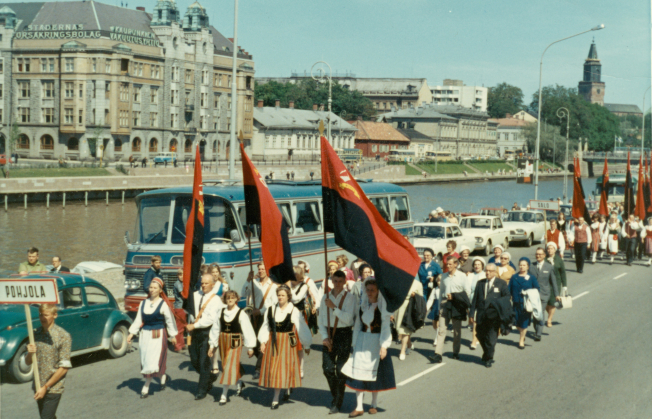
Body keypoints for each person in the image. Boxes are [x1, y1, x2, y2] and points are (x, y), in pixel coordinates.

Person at [342, 280, 395, 417]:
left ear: (378, 291)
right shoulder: (363, 306)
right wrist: (354, 345)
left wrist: (384, 345)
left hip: (376, 342)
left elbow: (385, 327)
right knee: (358, 374)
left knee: (373, 374)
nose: (369, 292)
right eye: (368, 290)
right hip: (362, 341)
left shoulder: (383, 308)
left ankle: (373, 404)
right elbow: (358, 325)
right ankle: (359, 406)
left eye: (372, 290)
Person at [258, 284, 312, 409]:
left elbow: (301, 327)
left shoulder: (293, 310)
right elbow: (266, 326)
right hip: (274, 341)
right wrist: (262, 341)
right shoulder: (271, 309)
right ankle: (282, 391)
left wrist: (306, 343)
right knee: (275, 369)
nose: (280, 297)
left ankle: (276, 398)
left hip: (287, 342)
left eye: (283, 295)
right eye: (279, 295)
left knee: (284, 367)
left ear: (288, 297)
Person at [127, 277, 178, 398]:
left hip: (158, 334)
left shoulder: (163, 304)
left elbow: (170, 321)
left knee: (153, 360)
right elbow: (138, 320)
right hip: (145, 335)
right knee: (146, 359)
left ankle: (146, 386)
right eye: (151, 287)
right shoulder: (143, 303)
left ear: (160, 290)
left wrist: (173, 335)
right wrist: (131, 333)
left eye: (155, 288)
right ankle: (162, 376)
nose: (152, 290)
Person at [208, 290, 256, 405]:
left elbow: (247, 330)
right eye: (228, 298)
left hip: (235, 341)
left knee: (228, 366)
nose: (230, 299)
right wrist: (212, 346)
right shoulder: (221, 312)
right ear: (225, 300)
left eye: (233, 297)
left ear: (236, 299)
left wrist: (250, 347)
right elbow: (215, 329)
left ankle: (224, 394)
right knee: (227, 366)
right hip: (223, 340)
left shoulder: (241, 313)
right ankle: (239, 382)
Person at [318, 270, 356, 414]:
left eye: (340, 281)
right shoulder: (325, 297)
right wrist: (324, 337)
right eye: (335, 281)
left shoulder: (350, 298)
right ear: (331, 281)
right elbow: (321, 319)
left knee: (340, 369)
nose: (337, 284)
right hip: (328, 333)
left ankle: (337, 402)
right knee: (327, 368)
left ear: (345, 282)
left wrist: (334, 307)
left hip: (344, 334)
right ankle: (337, 395)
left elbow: (348, 319)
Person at [26, 304, 72, 419]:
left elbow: (64, 368)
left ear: (55, 315)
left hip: (53, 388)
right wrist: (30, 353)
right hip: (38, 385)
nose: (42, 318)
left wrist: (46, 387)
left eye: (46, 315)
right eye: (41, 315)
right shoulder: (35, 333)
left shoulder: (63, 336)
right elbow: (27, 362)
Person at [186, 273, 226, 400]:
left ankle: (202, 390)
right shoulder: (195, 295)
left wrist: (195, 325)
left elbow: (210, 319)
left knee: (203, 361)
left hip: (206, 332)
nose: (203, 285)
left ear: (213, 285)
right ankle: (210, 377)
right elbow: (189, 310)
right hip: (194, 332)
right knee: (194, 360)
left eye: (206, 283)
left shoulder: (215, 300)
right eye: (202, 283)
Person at [428, 256, 470, 363]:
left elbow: (467, 292)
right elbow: (441, 292)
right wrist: (439, 308)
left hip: (457, 305)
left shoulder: (462, 276)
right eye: (447, 264)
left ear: (456, 264)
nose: (448, 266)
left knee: (456, 331)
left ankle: (456, 352)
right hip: (445, 304)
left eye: (451, 264)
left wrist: (458, 299)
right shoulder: (444, 276)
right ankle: (438, 354)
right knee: (441, 330)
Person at [241, 262, 278, 379]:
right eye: (260, 269)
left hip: (266, 315)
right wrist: (248, 280)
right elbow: (243, 293)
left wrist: (261, 311)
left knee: (264, 340)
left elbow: (273, 303)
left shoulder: (273, 285)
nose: (261, 271)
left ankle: (258, 369)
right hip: (254, 316)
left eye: (263, 269)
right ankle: (265, 363)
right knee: (255, 341)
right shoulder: (254, 283)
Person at [469, 263, 510, 367]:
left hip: (494, 317)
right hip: (481, 315)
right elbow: (475, 300)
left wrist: (498, 306)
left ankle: (488, 358)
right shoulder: (480, 283)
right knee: (480, 335)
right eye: (486, 271)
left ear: (495, 272)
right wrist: (471, 314)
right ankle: (487, 353)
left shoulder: (501, 283)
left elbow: (507, 297)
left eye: (490, 271)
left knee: (491, 340)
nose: (487, 273)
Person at [529, 248, 560, 341]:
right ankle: (537, 329)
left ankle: (538, 334)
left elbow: (553, 282)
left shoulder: (549, 267)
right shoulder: (531, 266)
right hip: (533, 294)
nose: (538, 256)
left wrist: (556, 294)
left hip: (544, 294)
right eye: (537, 254)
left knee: (540, 312)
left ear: (544, 255)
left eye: (540, 254)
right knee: (535, 314)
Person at [509, 258, 540, 349]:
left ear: (528, 266)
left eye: (524, 265)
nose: (522, 267)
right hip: (516, 303)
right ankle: (522, 334)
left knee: (524, 322)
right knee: (516, 323)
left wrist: (529, 293)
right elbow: (509, 289)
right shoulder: (514, 277)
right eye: (520, 265)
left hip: (526, 304)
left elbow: (537, 289)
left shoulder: (531, 278)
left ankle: (521, 340)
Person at [289, 265, 313, 377]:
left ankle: (301, 368)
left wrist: (289, 287)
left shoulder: (303, 286)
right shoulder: (289, 286)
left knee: (298, 345)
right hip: (287, 317)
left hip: (298, 317)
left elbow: (296, 298)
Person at [394, 277, 423, 361]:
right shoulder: (399, 282)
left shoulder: (418, 284)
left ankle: (402, 351)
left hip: (409, 308)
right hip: (399, 308)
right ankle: (409, 344)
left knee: (405, 330)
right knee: (400, 330)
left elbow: (421, 299)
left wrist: (415, 296)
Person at [545, 242, 567, 327]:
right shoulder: (544, 259)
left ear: (555, 250)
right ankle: (550, 314)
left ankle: (549, 320)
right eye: (548, 249)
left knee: (553, 302)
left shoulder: (559, 259)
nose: (550, 250)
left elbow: (563, 273)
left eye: (552, 248)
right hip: (546, 283)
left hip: (556, 283)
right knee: (546, 302)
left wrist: (564, 285)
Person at [466, 257, 486, 350]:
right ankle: (475, 338)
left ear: (482, 266)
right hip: (471, 300)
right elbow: (467, 288)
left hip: (481, 301)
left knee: (476, 322)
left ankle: (474, 340)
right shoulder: (469, 275)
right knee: (473, 321)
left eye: (479, 264)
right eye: (475, 265)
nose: (477, 266)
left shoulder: (485, 275)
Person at [172, 269, 187, 352]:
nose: (182, 276)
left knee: (182, 327)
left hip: (183, 307)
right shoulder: (178, 284)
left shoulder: (182, 283)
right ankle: (177, 346)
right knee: (178, 327)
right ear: (178, 276)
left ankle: (182, 344)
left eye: (183, 275)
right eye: (180, 275)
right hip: (179, 307)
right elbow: (183, 295)